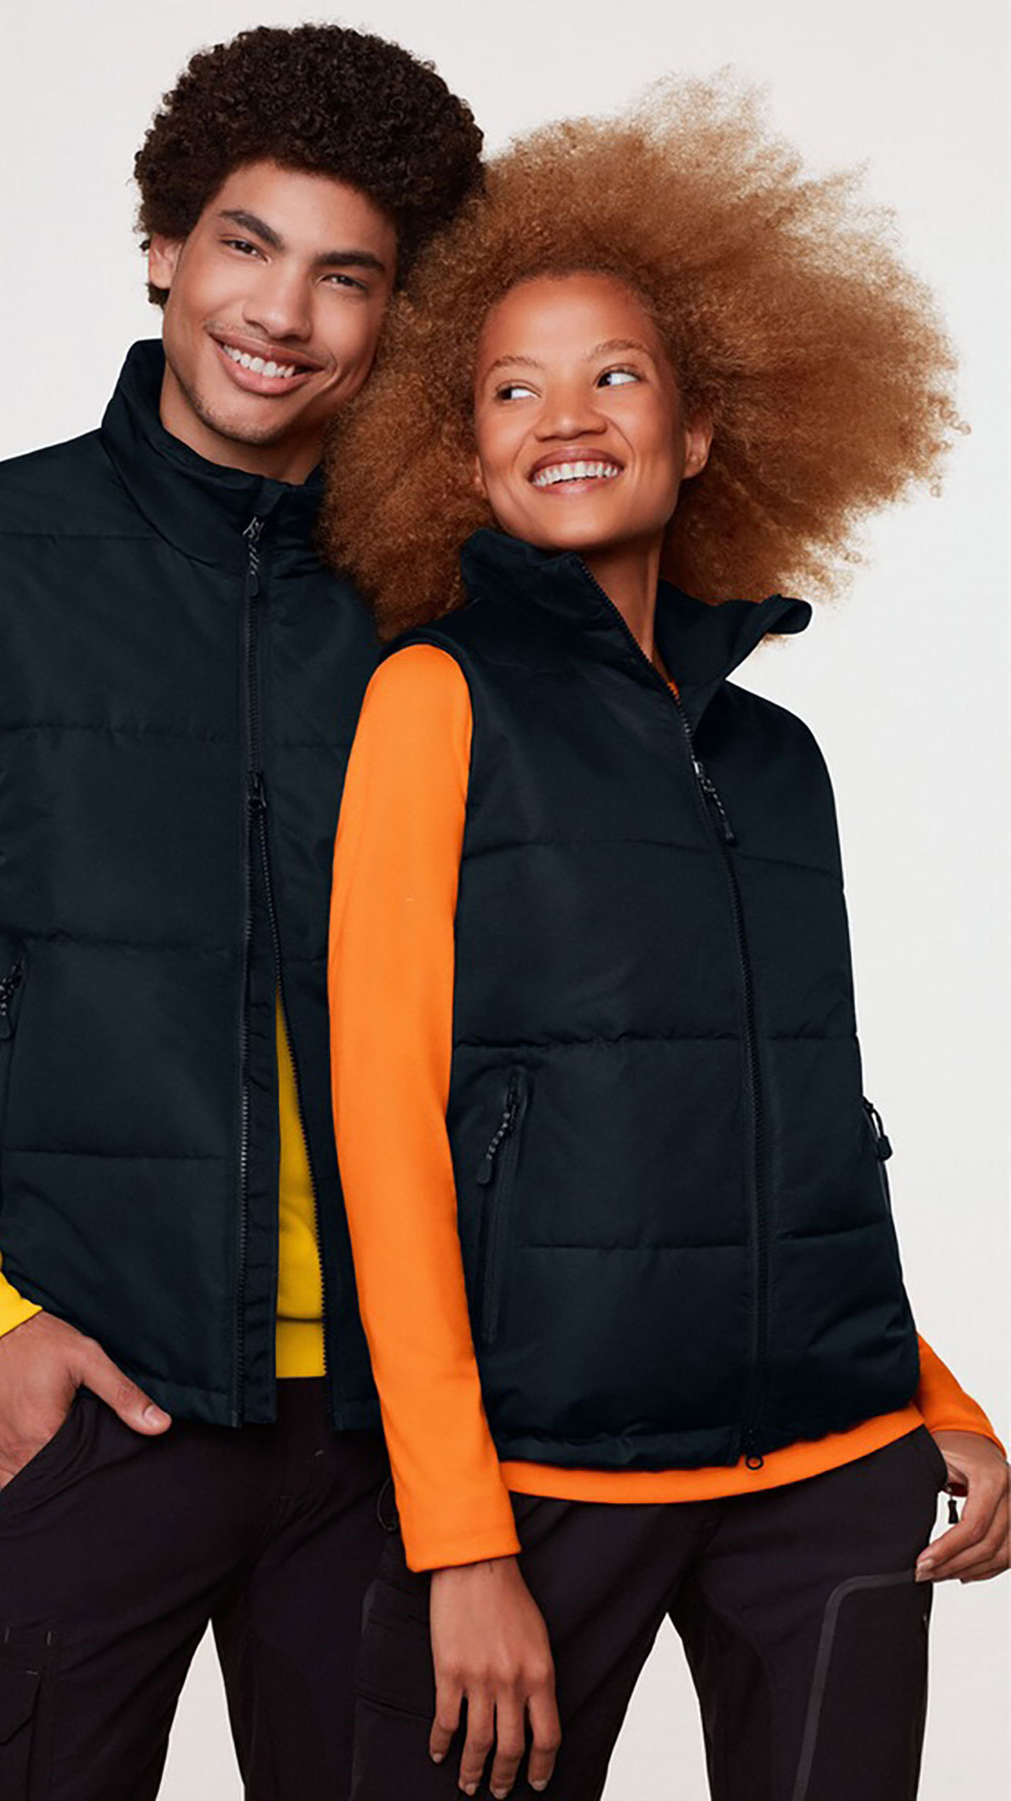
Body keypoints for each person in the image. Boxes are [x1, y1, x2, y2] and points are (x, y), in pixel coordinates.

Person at [0, 24, 481, 1799]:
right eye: (248, 245)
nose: (284, 312)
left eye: (348, 275)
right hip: (91, 1392)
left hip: (385, 1428)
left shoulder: (431, 604)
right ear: (167, 245)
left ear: (398, 315)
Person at [324, 77, 1009, 1801]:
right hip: (551, 1476)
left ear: (699, 429)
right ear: (462, 448)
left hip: (836, 1466)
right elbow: (384, 1127)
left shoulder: (777, 759)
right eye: (513, 387)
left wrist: (926, 1387)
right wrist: (457, 1531)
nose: (566, 416)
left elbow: (808, 1123)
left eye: (615, 375)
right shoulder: (435, 699)